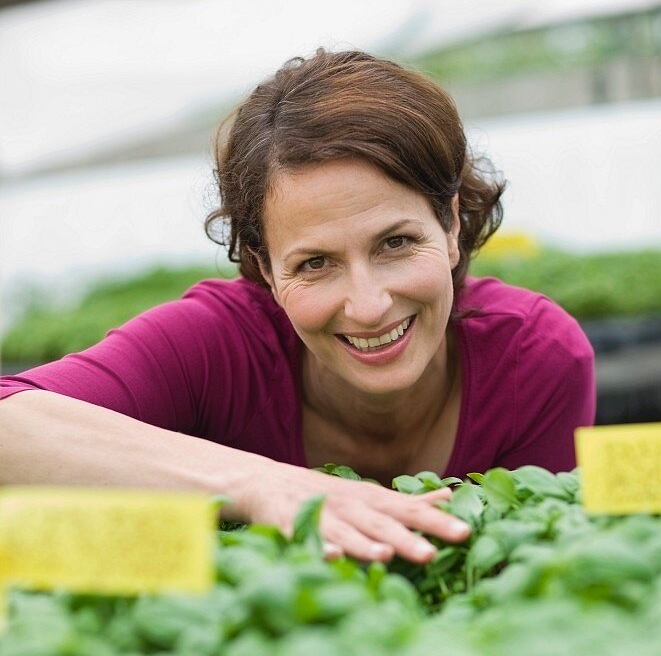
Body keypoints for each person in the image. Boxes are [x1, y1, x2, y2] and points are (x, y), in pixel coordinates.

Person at [0, 49, 595, 565]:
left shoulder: (532, 360)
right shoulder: (214, 347)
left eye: (396, 243)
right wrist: (262, 484)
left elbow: (527, 575)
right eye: (315, 264)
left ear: (452, 225)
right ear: (264, 268)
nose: (367, 307)